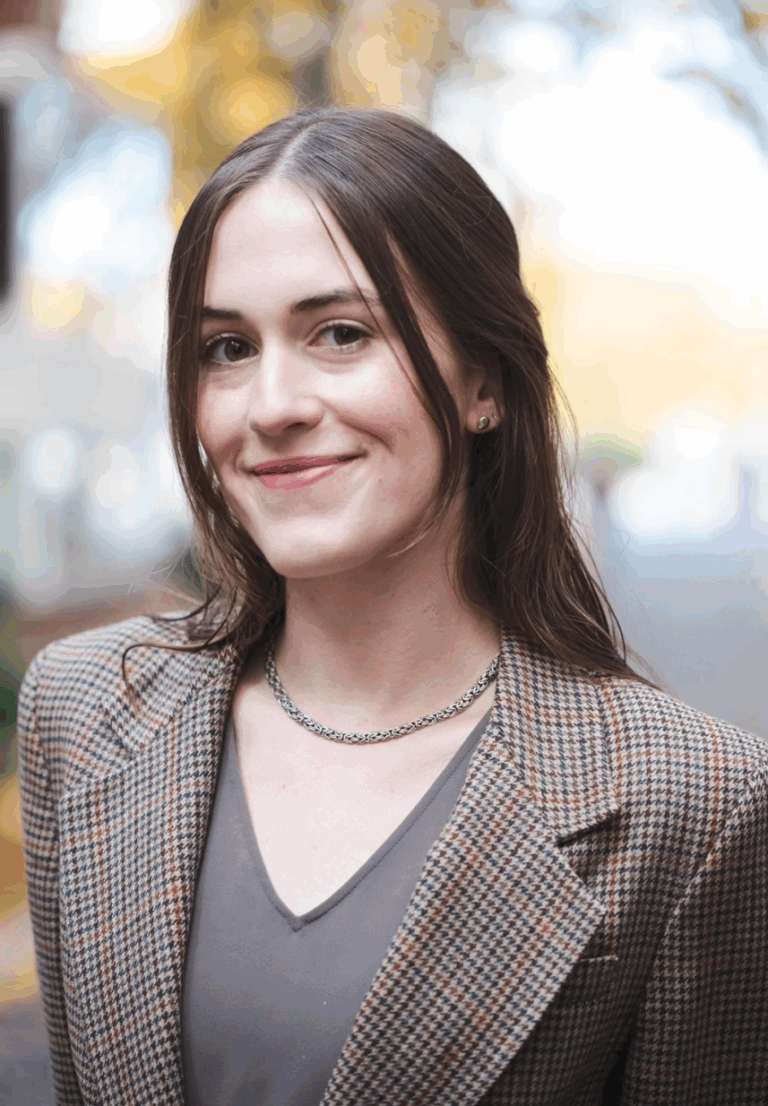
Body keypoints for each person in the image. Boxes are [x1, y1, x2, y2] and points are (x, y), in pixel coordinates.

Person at [17, 107, 768, 1106]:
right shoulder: (81, 707)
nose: (270, 403)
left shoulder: (695, 804)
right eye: (226, 348)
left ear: (484, 382)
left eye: (340, 333)